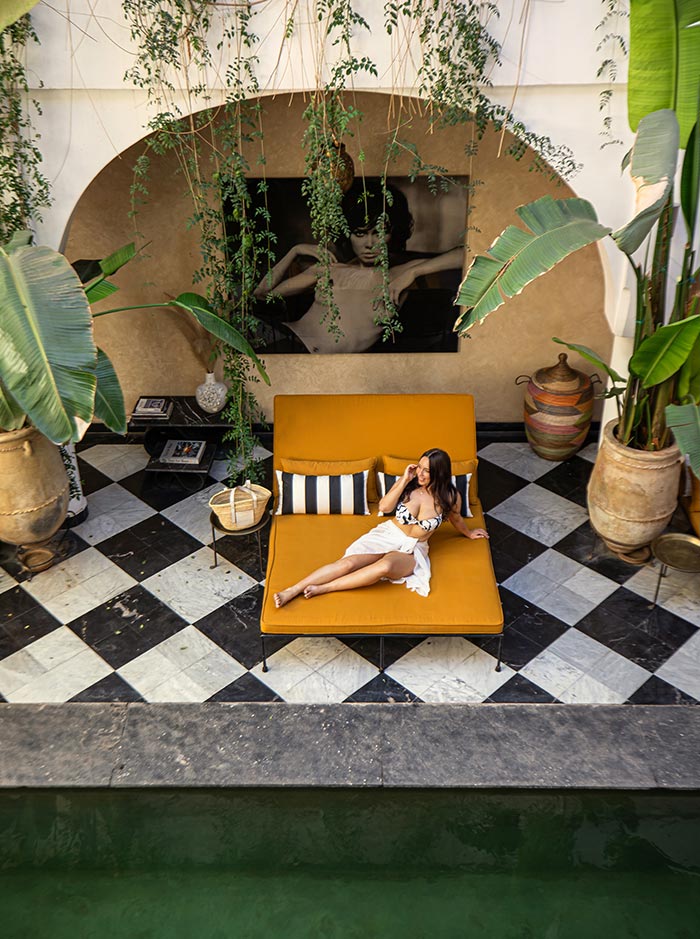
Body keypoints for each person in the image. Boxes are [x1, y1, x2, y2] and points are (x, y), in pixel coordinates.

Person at [254, 181, 464, 353]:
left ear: (394, 233)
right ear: (348, 235)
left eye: (379, 232)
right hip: (282, 339)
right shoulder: (331, 270)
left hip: (305, 358)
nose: (369, 243)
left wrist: (414, 271)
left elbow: (468, 253)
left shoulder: (398, 275)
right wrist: (295, 251)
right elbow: (261, 295)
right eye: (360, 233)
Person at [273, 448, 488, 607]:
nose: (420, 474)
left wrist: (469, 533)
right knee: (348, 564)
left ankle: (324, 588)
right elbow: (384, 507)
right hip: (388, 534)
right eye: (419, 468)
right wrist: (404, 479)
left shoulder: (450, 496)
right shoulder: (410, 486)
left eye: (427, 471)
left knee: (384, 567)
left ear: (439, 474)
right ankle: (292, 590)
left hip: (414, 548)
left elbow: (457, 518)